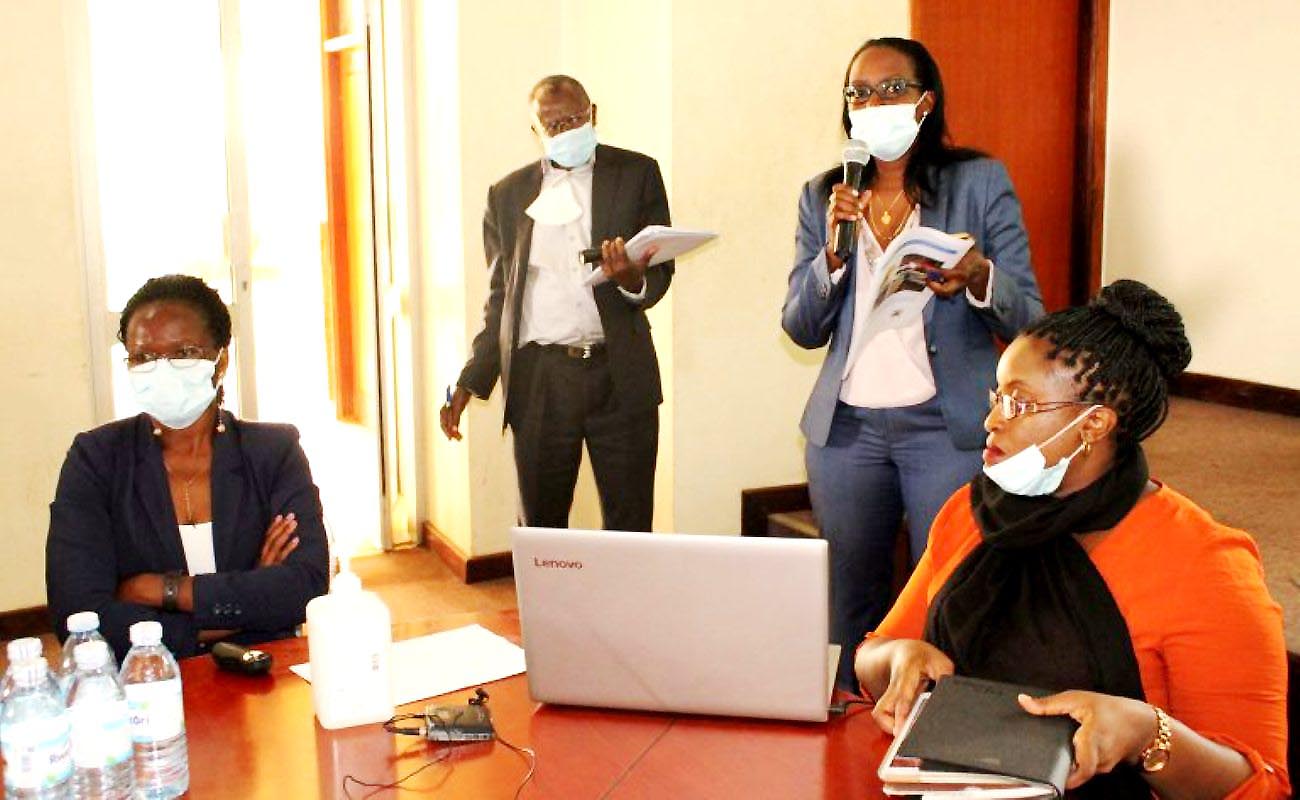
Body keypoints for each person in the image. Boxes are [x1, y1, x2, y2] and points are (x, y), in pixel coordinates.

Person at [856, 280, 1288, 798]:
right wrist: (899, 658)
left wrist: (1146, 734)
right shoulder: (973, 513)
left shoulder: (1205, 563)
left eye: (1019, 404)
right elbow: (874, 655)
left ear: (1093, 425)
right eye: (996, 395)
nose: (991, 420)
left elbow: (1260, 785)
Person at [781, 37, 1044, 688]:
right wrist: (833, 261)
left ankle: (940, 737)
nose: (874, 104)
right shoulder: (823, 195)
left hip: (945, 430)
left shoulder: (978, 181)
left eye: (891, 89)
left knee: (948, 596)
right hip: (846, 434)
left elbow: (1030, 318)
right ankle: (843, 735)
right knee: (848, 602)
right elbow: (799, 326)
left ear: (926, 101)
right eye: (859, 94)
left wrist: (979, 274)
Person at [47, 275, 330, 661]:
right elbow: (78, 615)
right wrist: (242, 606)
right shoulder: (96, 460)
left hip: (262, 672)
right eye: (144, 357)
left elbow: (305, 587)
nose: (163, 370)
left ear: (221, 359)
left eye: (183, 353)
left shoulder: (273, 452)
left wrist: (163, 590)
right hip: (142, 679)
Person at [440, 75, 672, 531]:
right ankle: (547, 606)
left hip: (620, 375)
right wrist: (469, 380)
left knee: (630, 525)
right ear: (536, 132)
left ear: (593, 113)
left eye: (575, 118)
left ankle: (625, 605)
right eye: (554, 125)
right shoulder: (507, 195)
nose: (567, 130)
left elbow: (661, 271)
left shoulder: (637, 173)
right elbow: (501, 300)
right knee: (542, 527)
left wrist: (632, 279)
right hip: (541, 381)